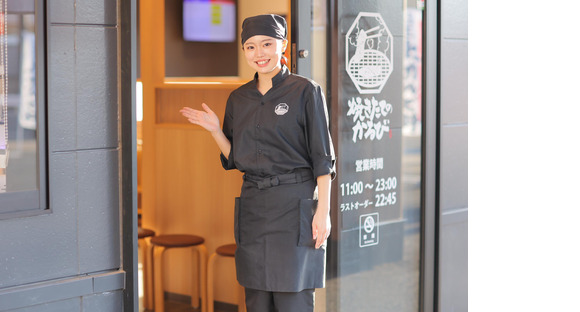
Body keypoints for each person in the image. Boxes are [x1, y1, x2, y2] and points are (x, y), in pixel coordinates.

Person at [180, 14, 335, 312]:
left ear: (283, 45)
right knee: (257, 300)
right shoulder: (239, 99)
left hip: (295, 207)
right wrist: (215, 130)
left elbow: (322, 158)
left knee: (294, 298)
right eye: (250, 47)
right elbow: (236, 159)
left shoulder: (306, 91)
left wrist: (323, 212)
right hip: (253, 206)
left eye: (267, 44)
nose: (259, 53)